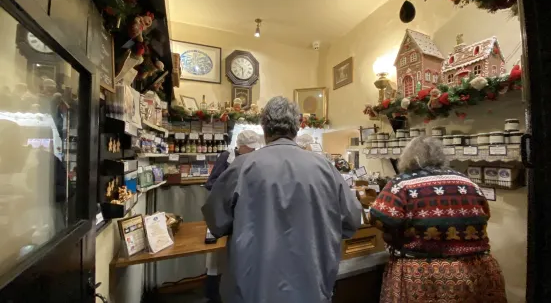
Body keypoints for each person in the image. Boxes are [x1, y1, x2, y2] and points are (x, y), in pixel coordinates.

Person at [202, 96, 362, 303]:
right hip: (311, 285)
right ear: (297, 127)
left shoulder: (243, 166)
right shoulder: (325, 168)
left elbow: (216, 222)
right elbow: (351, 220)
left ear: (264, 127)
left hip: (254, 286)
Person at [368, 136, 507, 303]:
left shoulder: (401, 184)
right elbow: (484, 214)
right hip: (475, 270)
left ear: (407, 157)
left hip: (422, 274)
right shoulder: (467, 182)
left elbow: (379, 218)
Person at [203, 129, 261, 303]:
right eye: (249, 148)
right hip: (223, 209)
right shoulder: (226, 157)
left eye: (254, 148)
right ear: (240, 146)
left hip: (243, 214)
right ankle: (212, 293)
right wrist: (226, 188)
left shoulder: (254, 160)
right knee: (216, 259)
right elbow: (210, 183)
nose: (252, 151)